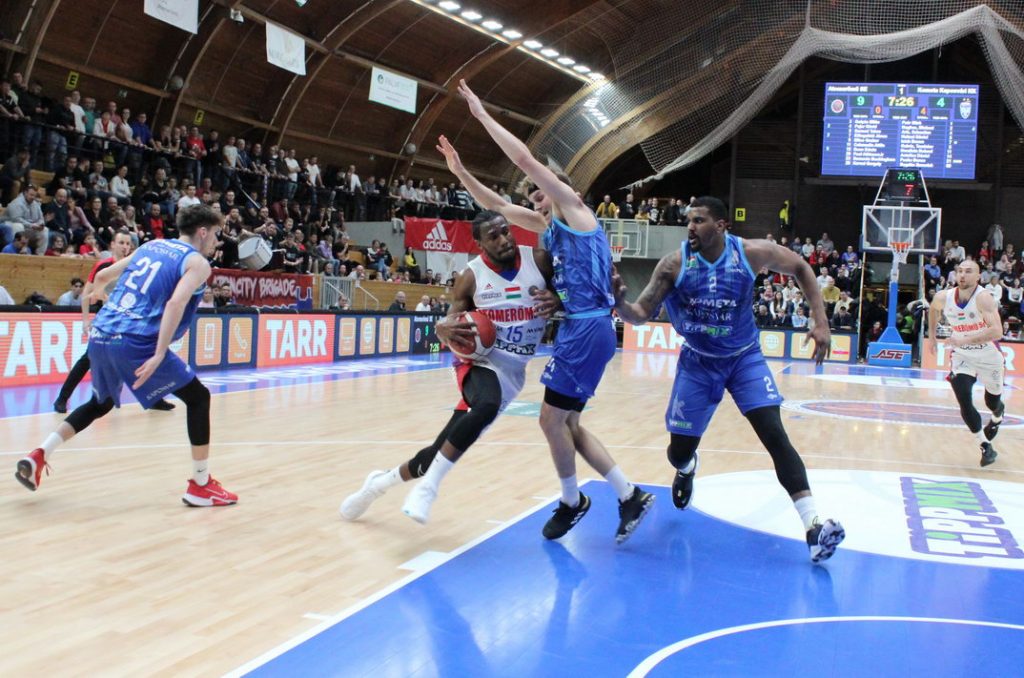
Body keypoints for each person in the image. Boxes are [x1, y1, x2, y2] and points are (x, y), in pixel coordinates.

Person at [439, 79, 654, 544]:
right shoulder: (549, 227)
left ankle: (573, 502)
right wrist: (460, 172)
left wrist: (481, 114)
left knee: (550, 420)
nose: (535, 198)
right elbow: (496, 205)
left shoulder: (576, 211)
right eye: (533, 196)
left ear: (559, 188)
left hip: (588, 329)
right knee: (568, 424)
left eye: (540, 191)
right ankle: (629, 494)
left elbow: (524, 160)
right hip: (581, 327)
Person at [612, 196, 845, 563]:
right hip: (698, 363)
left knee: (774, 434)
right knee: (678, 452)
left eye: (699, 220)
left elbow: (801, 267)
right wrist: (619, 303)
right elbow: (640, 313)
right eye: (689, 220)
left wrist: (821, 321)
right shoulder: (673, 264)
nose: (690, 226)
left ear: (721, 226)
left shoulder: (750, 254)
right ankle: (688, 468)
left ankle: (813, 526)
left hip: (743, 359)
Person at [340, 211, 558, 524]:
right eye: (493, 236)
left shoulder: (539, 261)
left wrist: (558, 301)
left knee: (436, 453)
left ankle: (377, 485)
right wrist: (441, 327)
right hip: (480, 362)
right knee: (486, 405)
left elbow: (569, 296)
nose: (504, 239)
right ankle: (428, 489)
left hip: (513, 373)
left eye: (505, 231)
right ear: (480, 244)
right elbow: (449, 322)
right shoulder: (471, 277)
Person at [17, 205, 237, 507]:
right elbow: (175, 303)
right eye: (214, 234)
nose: (215, 241)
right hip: (135, 340)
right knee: (198, 398)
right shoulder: (197, 263)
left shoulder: (152, 245)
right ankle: (201, 485)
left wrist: (102, 297)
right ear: (202, 231)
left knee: (100, 403)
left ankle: (40, 454)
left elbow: (102, 275)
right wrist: (160, 353)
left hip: (102, 333)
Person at [52, 232, 177, 413]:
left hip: (131, 320)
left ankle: (154, 398)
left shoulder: (137, 264)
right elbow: (87, 294)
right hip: (108, 321)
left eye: (127, 243)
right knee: (87, 359)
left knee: (141, 356)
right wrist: (85, 320)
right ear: (112, 244)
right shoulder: (104, 265)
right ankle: (62, 398)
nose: (125, 246)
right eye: (121, 242)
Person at [926, 260, 1005, 467]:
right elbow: (933, 310)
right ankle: (985, 445)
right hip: (962, 356)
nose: (962, 275)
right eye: (960, 271)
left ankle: (998, 415)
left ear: (978, 277)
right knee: (964, 399)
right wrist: (932, 336)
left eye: (968, 271)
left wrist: (965, 340)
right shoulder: (943, 297)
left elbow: (997, 331)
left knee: (992, 402)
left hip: (988, 356)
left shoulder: (983, 298)